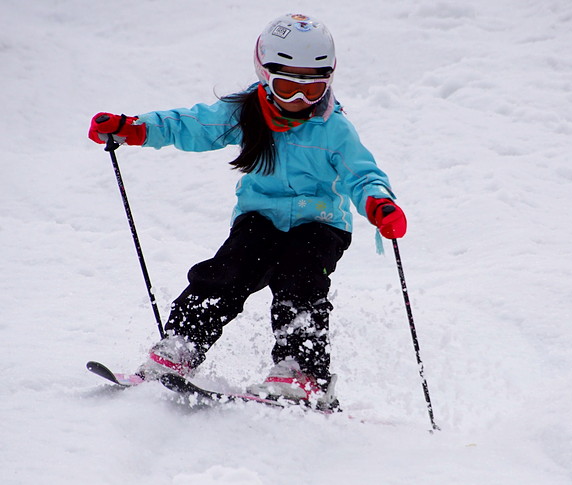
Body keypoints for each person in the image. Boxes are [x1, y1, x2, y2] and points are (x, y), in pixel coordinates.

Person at [88, 13, 406, 410]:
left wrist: (379, 203)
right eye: (288, 87)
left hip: (321, 223)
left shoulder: (334, 129)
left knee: (301, 279)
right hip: (260, 215)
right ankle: (182, 344)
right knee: (228, 271)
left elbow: (363, 174)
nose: (299, 101)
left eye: (313, 89)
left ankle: (302, 371)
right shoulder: (245, 112)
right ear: (265, 74)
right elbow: (192, 125)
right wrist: (138, 128)